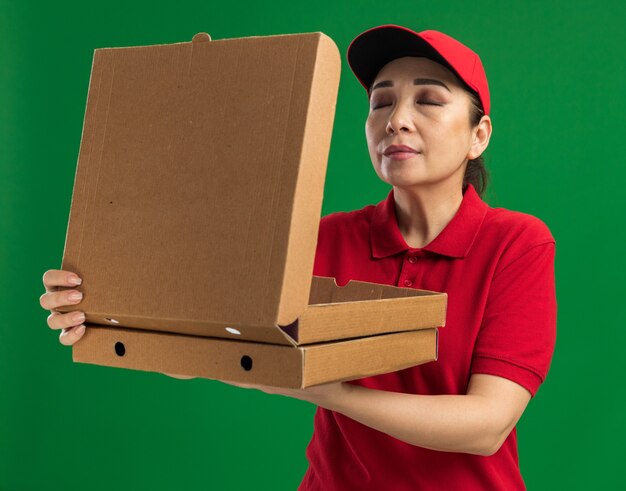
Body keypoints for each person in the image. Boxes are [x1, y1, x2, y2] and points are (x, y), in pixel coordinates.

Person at [40, 24, 557, 490]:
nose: (396, 120)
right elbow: (206, 345)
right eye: (380, 103)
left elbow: (486, 426)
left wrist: (324, 388)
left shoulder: (517, 244)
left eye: (428, 100)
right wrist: (108, 308)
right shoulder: (321, 239)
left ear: (478, 135)